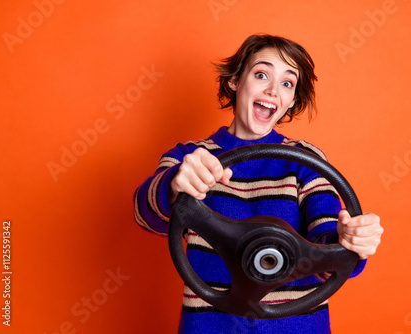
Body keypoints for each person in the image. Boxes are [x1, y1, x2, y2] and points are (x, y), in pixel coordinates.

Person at [134, 34, 384, 334]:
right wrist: (175, 185)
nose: (272, 90)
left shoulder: (306, 160)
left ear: (292, 100)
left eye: (287, 83)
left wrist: (349, 240)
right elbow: (145, 215)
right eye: (261, 74)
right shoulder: (190, 157)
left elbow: (329, 256)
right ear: (235, 81)